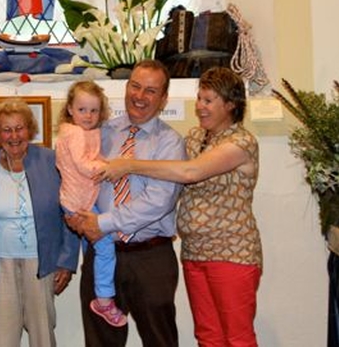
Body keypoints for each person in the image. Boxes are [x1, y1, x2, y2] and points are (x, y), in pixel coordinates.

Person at [97, 66, 263, 347]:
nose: (200, 107)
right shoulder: (197, 137)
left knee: (237, 337)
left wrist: (129, 164)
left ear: (231, 104)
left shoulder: (241, 142)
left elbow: (190, 172)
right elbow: (174, 172)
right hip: (195, 252)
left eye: (208, 100)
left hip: (231, 253)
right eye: (199, 98)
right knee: (208, 335)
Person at [67, 59, 185, 347]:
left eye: (150, 91)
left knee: (160, 339)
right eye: (135, 86)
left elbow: (159, 200)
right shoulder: (101, 132)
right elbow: (75, 171)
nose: (139, 96)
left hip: (150, 257)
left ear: (163, 98)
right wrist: (74, 212)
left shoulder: (170, 142)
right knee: (100, 340)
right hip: (102, 253)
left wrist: (102, 223)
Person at [0, 98, 80, 347]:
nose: (14, 136)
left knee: (43, 336)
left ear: (30, 129)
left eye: (19, 128)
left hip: (43, 263)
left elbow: (71, 212)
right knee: (3, 337)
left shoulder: (53, 161)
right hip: (0, 265)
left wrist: (67, 261)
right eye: (6, 129)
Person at [55, 80, 127, 327]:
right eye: (82, 109)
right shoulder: (73, 133)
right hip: (78, 202)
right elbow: (84, 165)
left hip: (81, 199)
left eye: (94, 110)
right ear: (70, 110)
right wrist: (110, 168)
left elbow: (91, 156)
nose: (88, 115)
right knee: (106, 244)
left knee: (93, 247)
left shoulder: (86, 132)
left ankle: (97, 285)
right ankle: (104, 299)